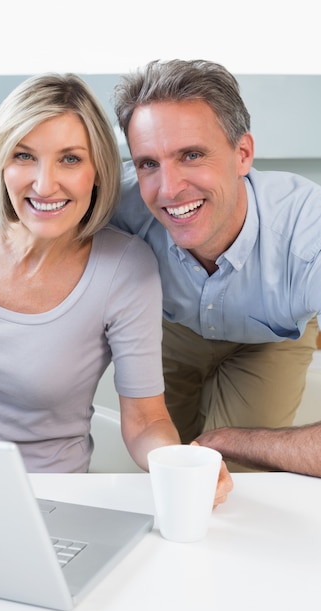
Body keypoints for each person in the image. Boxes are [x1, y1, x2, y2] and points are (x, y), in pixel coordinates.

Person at [0, 72, 232, 501]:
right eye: (24, 156)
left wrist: (176, 465)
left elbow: (146, 420)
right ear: (1, 161)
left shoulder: (126, 268)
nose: (44, 184)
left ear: (98, 170)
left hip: (46, 498)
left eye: (70, 159)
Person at [111, 59, 321, 473]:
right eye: (148, 163)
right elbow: (17, 215)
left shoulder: (308, 233)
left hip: (268, 341)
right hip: (172, 328)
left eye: (191, 155)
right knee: (161, 470)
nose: (168, 189)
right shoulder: (118, 206)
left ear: (242, 154)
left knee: (234, 477)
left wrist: (227, 440)